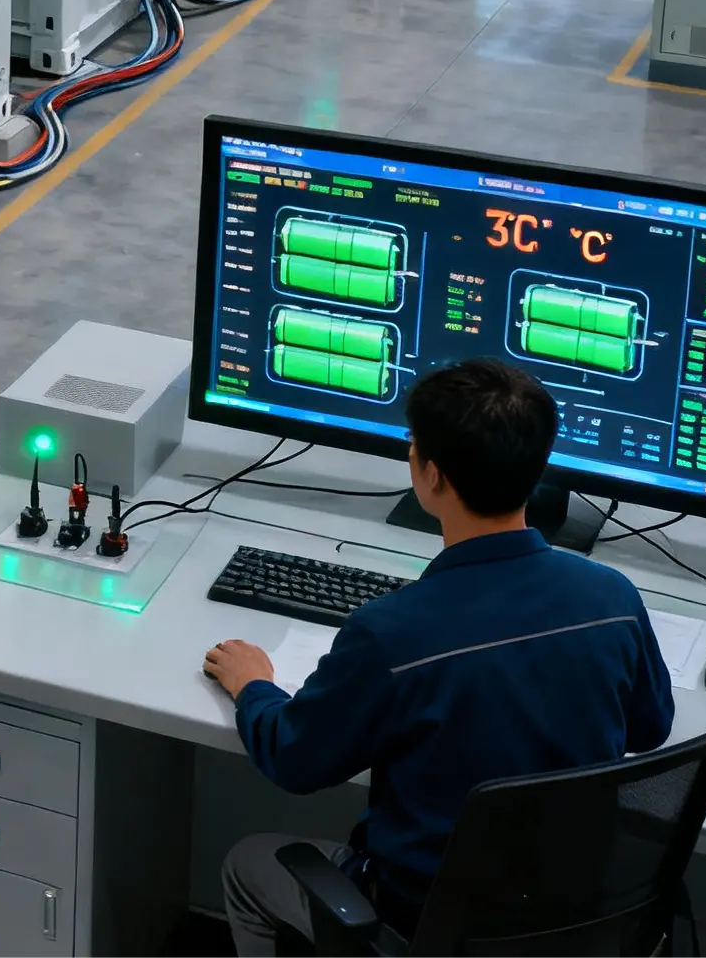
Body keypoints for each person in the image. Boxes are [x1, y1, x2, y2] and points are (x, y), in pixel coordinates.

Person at [202, 358, 675, 958]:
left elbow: (296, 761)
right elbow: (650, 728)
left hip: (423, 923)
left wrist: (254, 686)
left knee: (249, 865)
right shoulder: (612, 596)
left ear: (431, 476)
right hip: (572, 916)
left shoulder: (391, 634)